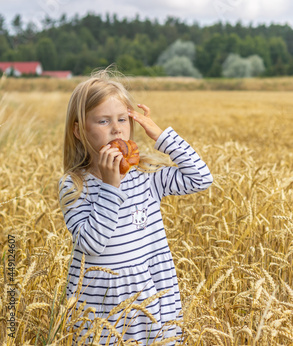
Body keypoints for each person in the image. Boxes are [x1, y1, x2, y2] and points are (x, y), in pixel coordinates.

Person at [58, 69, 213, 345]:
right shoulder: (75, 185)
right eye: (103, 121)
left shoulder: (146, 177)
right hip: (100, 307)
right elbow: (92, 243)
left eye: (122, 119)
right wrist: (110, 186)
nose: (116, 128)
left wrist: (161, 136)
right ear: (79, 131)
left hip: (148, 300)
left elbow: (201, 178)